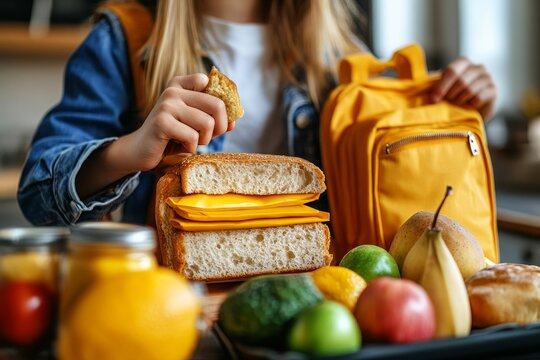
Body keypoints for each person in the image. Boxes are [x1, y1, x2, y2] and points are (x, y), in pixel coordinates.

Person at [17, 0, 497, 226]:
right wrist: (130, 151)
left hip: (315, 310)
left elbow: (403, 153)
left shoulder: (339, 57)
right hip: (175, 315)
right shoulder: (124, 38)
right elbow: (37, 193)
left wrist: (459, 105)